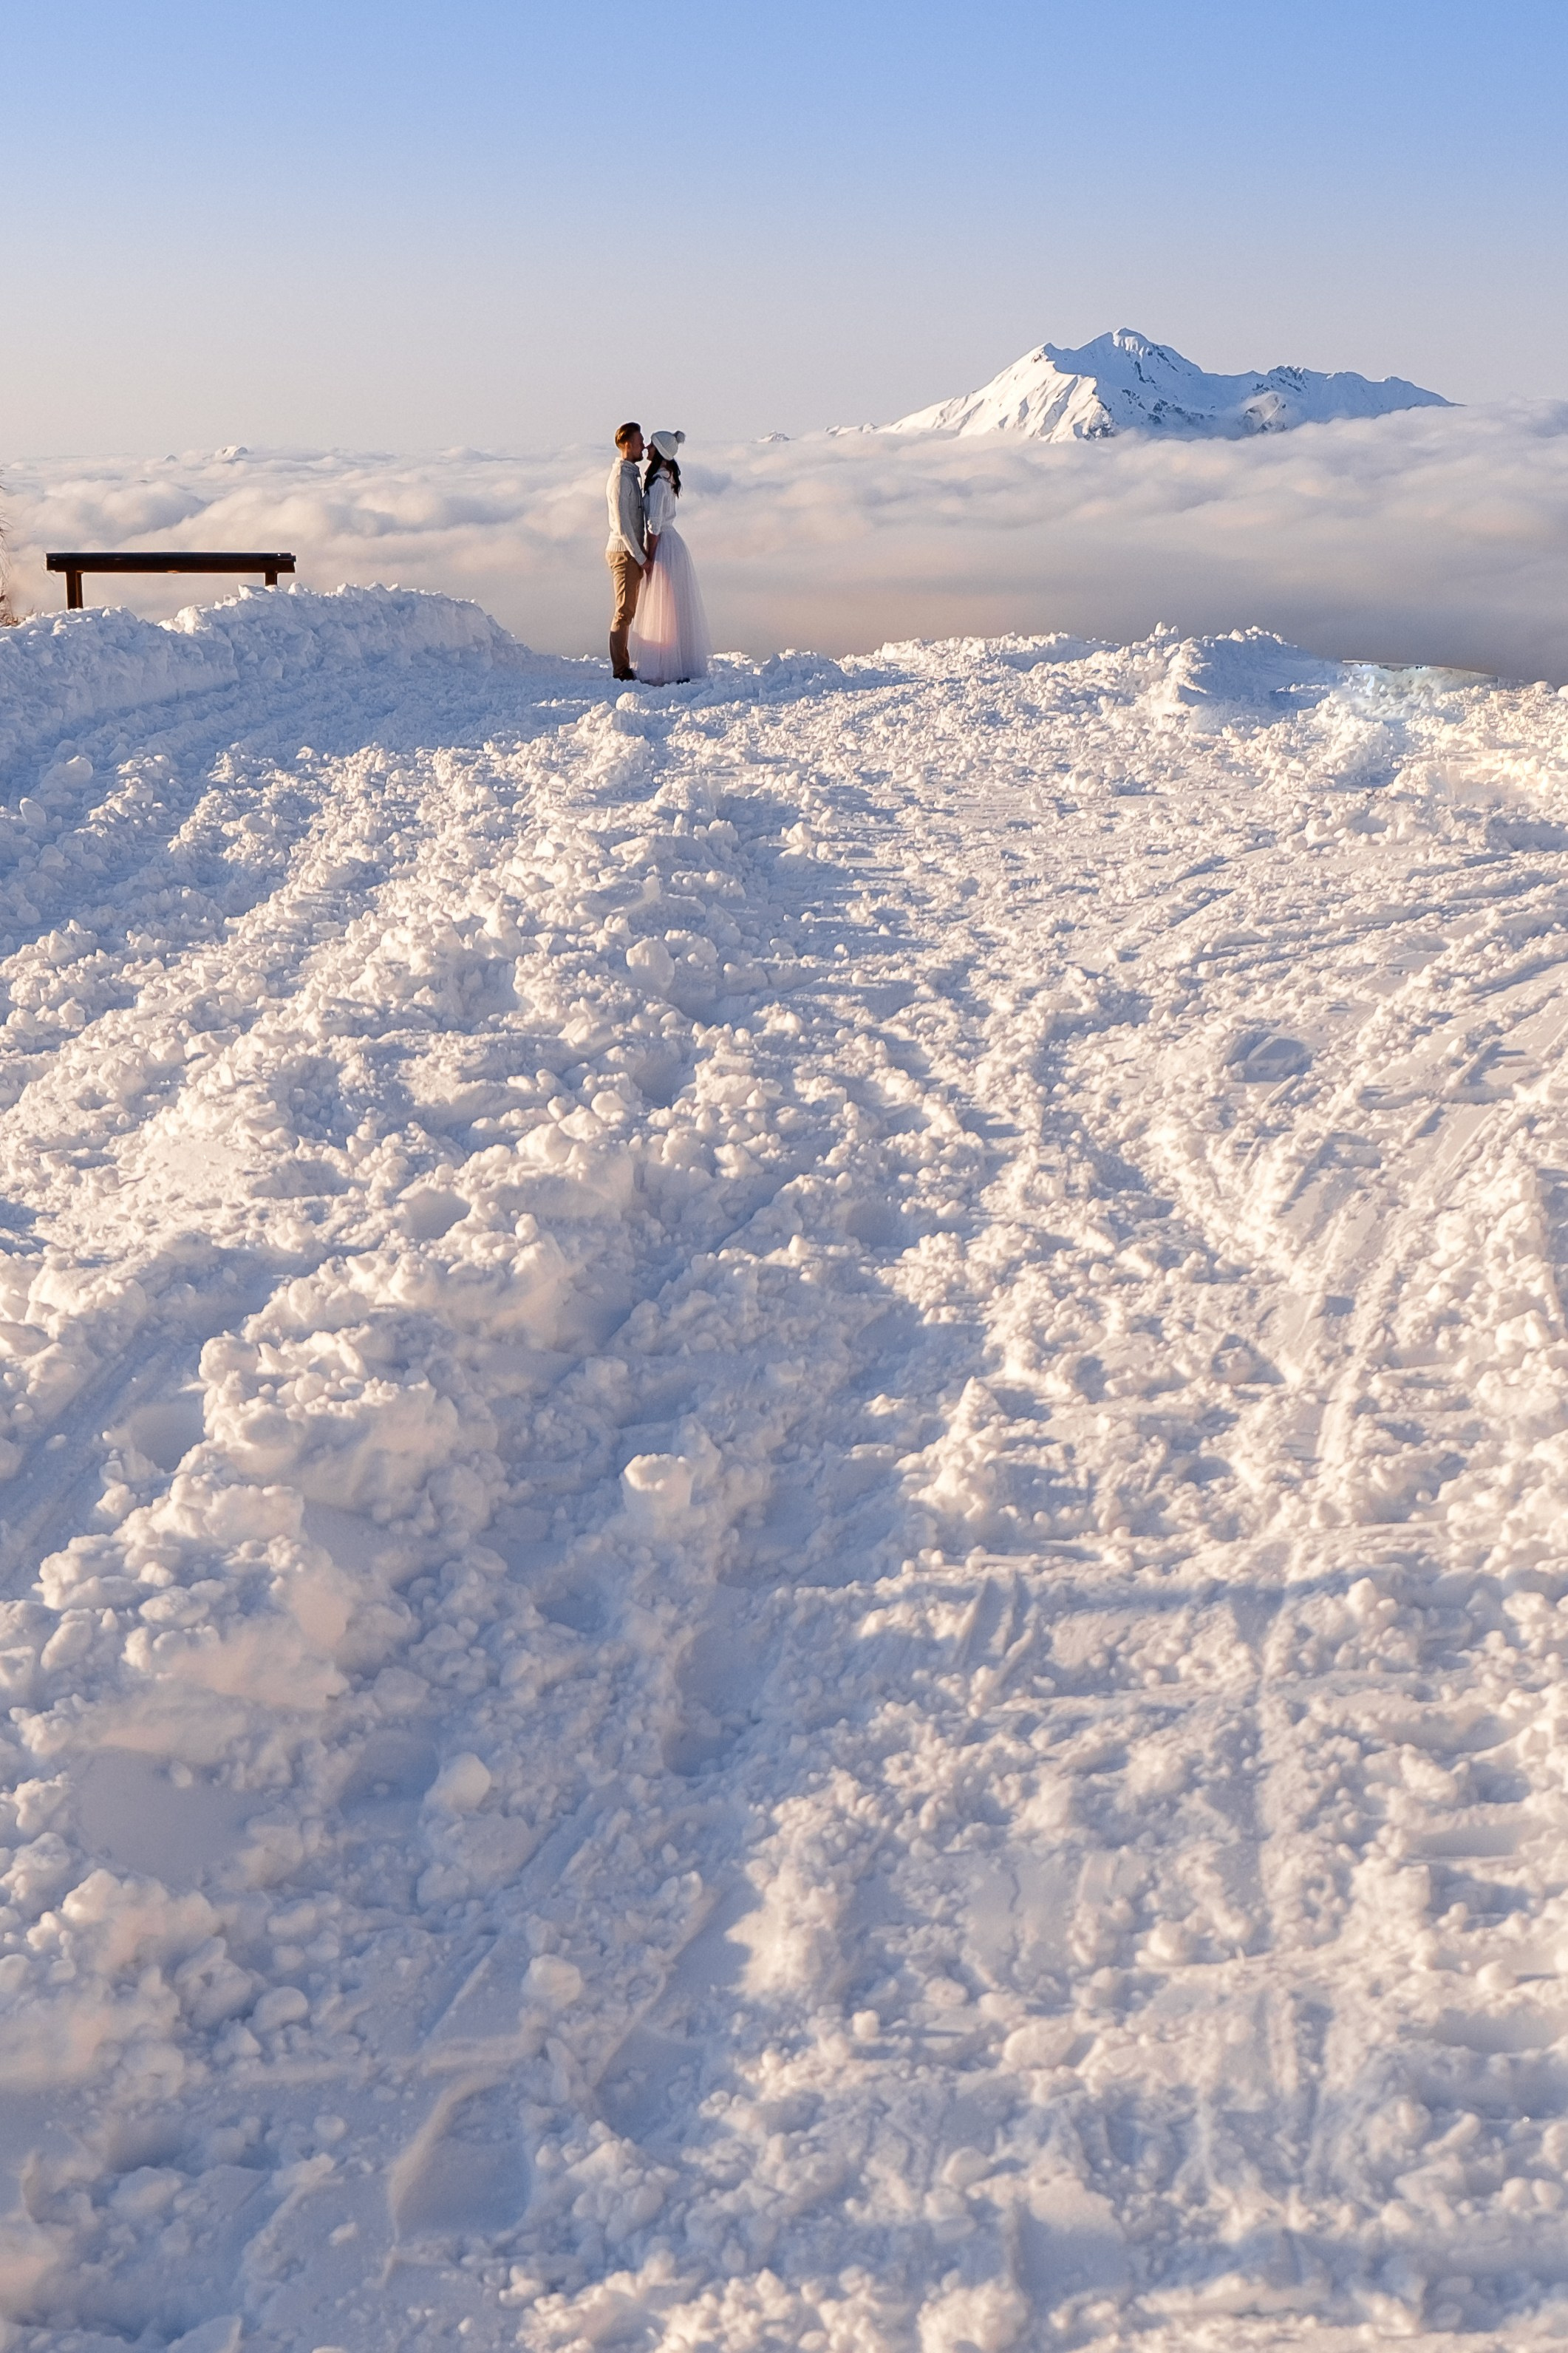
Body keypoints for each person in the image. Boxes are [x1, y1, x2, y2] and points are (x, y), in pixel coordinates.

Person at [630, 430, 712, 686]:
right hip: (674, 543)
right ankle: (677, 661)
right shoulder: (667, 479)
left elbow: (654, 526)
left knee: (662, 603)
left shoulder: (657, 484)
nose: (647, 450)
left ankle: (663, 665)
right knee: (672, 605)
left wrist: (649, 559)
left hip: (664, 544)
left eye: (652, 447)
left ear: (661, 453)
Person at [605, 421, 647, 680]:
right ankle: (620, 670)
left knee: (628, 610)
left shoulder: (630, 474)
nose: (643, 445)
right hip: (624, 552)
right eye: (640, 441)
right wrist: (641, 557)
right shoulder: (622, 478)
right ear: (628, 444)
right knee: (624, 611)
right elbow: (623, 526)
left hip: (629, 551)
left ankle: (624, 664)